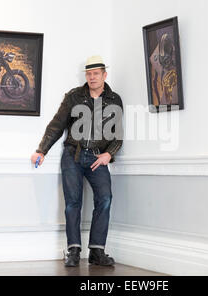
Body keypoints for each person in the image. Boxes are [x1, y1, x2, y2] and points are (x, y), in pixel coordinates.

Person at [31, 56, 123, 267]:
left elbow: (118, 134)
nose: (92, 77)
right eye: (89, 74)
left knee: (105, 199)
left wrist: (109, 154)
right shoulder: (73, 97)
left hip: (97, 158)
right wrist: (41, 150)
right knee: (73, 203)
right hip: (73, 155)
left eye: (96, 74)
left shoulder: (114, 100)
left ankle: (97, 252)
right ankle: (73, 250)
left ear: (104, 75)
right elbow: (56, 125)